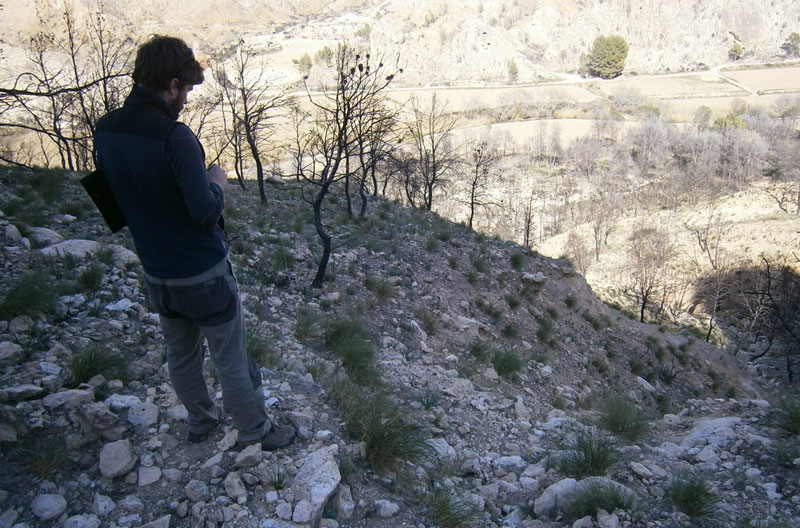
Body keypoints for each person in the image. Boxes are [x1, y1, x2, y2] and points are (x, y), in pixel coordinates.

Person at [93, 35, 294, 451]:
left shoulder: (106, 129)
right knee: (230, 358)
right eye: (184, 89)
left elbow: (114, 205)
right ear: (170, 84)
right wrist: (216, 183)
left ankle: (201, 423)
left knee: (181, 355)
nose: (184, 98)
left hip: (157, 271)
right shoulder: (176, 138)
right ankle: (256, 431)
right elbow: (205, 214)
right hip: (203, 274)